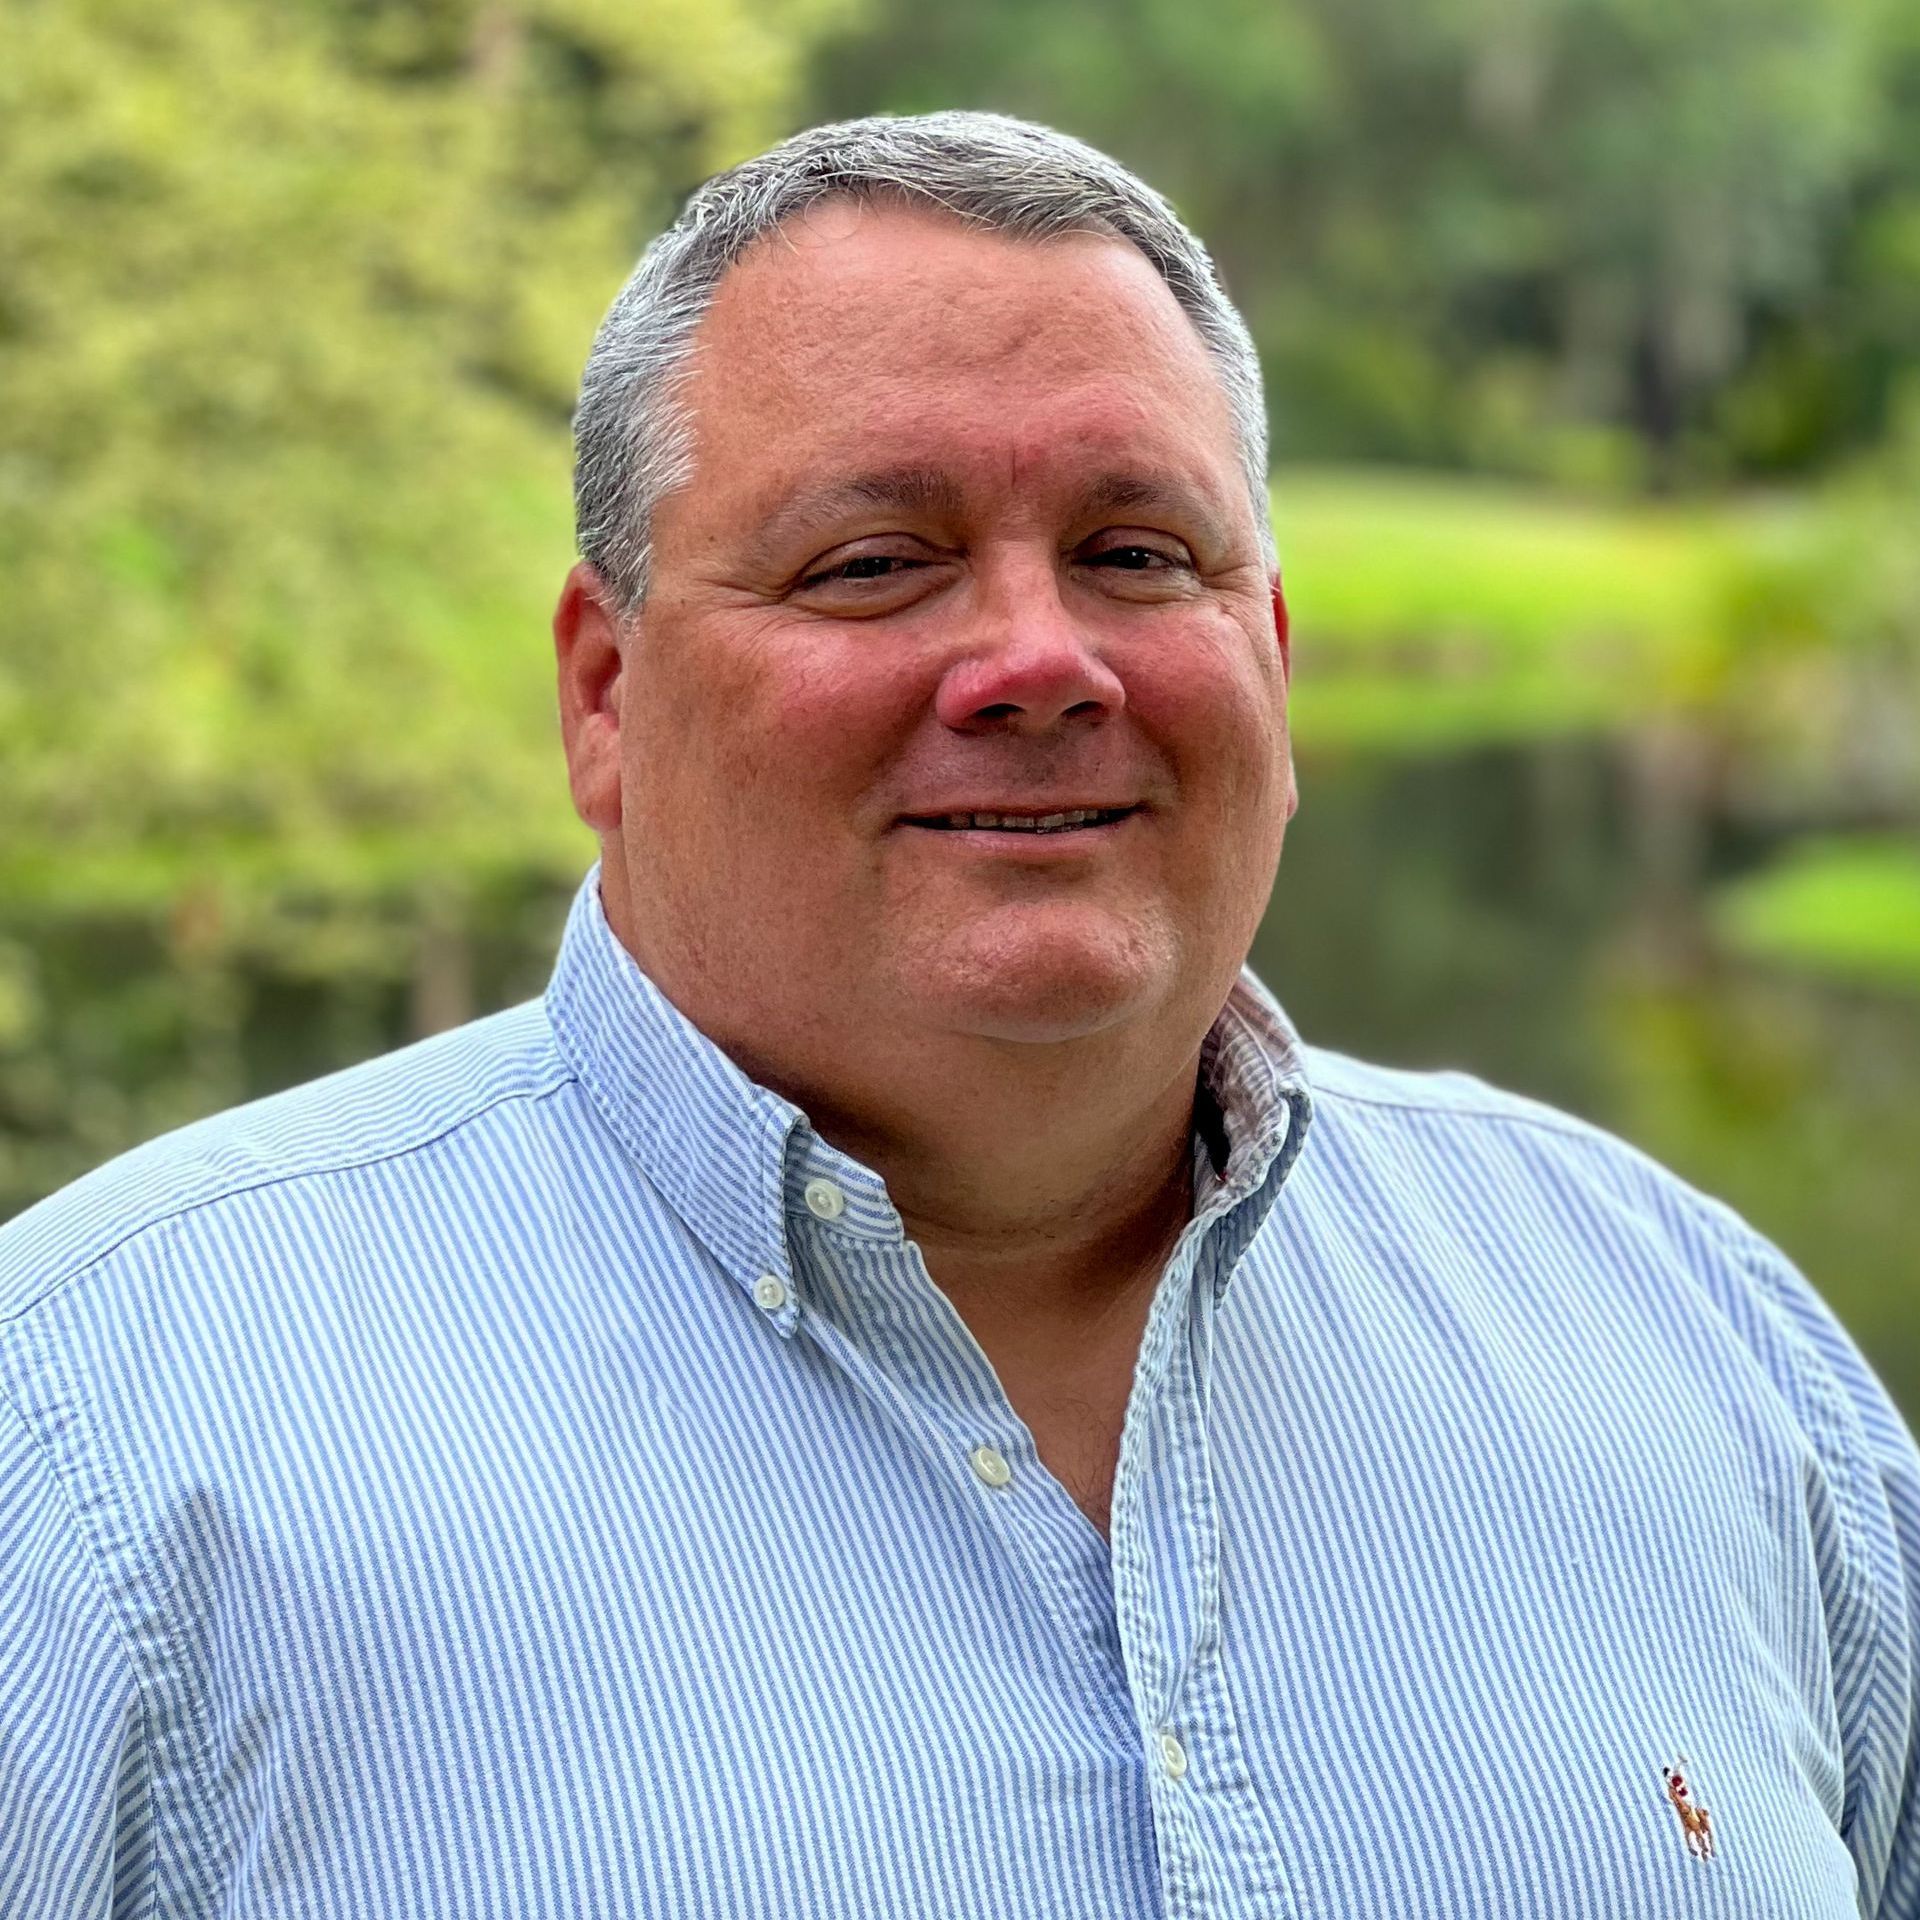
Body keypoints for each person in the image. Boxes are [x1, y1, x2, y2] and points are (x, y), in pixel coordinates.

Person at [1, 110, 1915, 1920]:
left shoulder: (1695, 1342)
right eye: (873, 565)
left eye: (1135, 554)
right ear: (604, 695)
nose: (1036, 661)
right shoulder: (93, 1445)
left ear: (1270, 655)